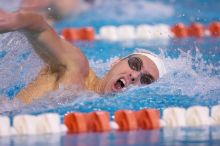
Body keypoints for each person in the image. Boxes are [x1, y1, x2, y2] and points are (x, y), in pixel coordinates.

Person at [0, 10, 166, 104]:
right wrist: (14, 20)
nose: (135, 75)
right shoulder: (77, 67)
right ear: (116, 62)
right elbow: (38, 26)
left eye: (146, 80)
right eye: (135, 64)